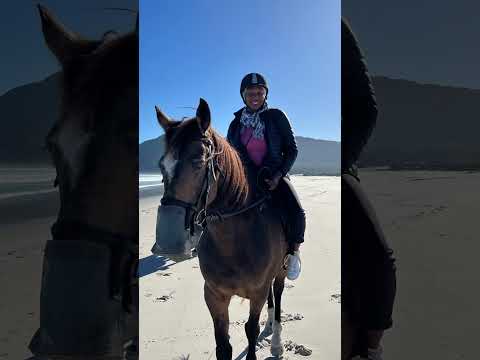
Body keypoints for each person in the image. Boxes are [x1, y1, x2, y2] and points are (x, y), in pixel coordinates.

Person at [341, 18, 397, 360]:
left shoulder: (334, 30)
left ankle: (371, 348)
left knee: (379, 260)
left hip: (333, 162)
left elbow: (366, 108)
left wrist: (337, 162)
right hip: (261, 171)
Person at [227, 72, 306, 280]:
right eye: (250, 92)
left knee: (297, 213)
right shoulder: (235, 124)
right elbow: (229, 156)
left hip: (274, 176)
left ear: (265, 94)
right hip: (244, 179)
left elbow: (292, 150)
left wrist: (279, 175)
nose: (255, 96)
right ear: (243, 95)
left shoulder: (276, 116)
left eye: (259, 92)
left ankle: (293, 254)